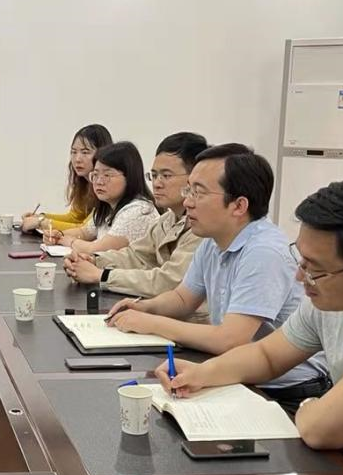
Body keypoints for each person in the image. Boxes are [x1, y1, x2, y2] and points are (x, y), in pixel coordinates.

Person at [156, 176, 343, 456]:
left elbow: (322, 430)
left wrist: (309, 405)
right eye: (301, 259)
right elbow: (268, 356)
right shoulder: (334, 297)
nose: (300, 276)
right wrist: (201, 374)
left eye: (314, 268)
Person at [105, 144, 327, 408]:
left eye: (198, 193)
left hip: (285, 392)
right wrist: (144, 307)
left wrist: (150, 322)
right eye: (188, 190)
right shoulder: (212, 240)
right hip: (237, 375)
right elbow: (182, 298)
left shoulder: (264, 252)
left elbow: (230, 340)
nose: (187, 202)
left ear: (239, 205)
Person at [64, 132, 208, 297]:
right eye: (154, 175)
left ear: (194, 178)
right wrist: (94, 260)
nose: (157, 183)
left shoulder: (203, 228)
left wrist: (101, 275)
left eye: (166, 176)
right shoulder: (167, 220)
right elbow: (136, 255)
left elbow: (169, 281)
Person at [42, 142, 159, 254]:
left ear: (129, 177)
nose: (98, 182)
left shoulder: (139, 211)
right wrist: (58, 235)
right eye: (95, 175)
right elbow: (84, 232)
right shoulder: (108, 206)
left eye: (107, 175)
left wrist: (67, 240)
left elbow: (97, 249)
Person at [19, 124, 112, 233]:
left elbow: (85, 229)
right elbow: (74, 217)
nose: (77, 159)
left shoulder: (106, 187)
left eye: (85, 152)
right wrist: (40, 217)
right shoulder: (84, 182)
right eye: (73, 152)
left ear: (102, 154)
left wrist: (41, 222)